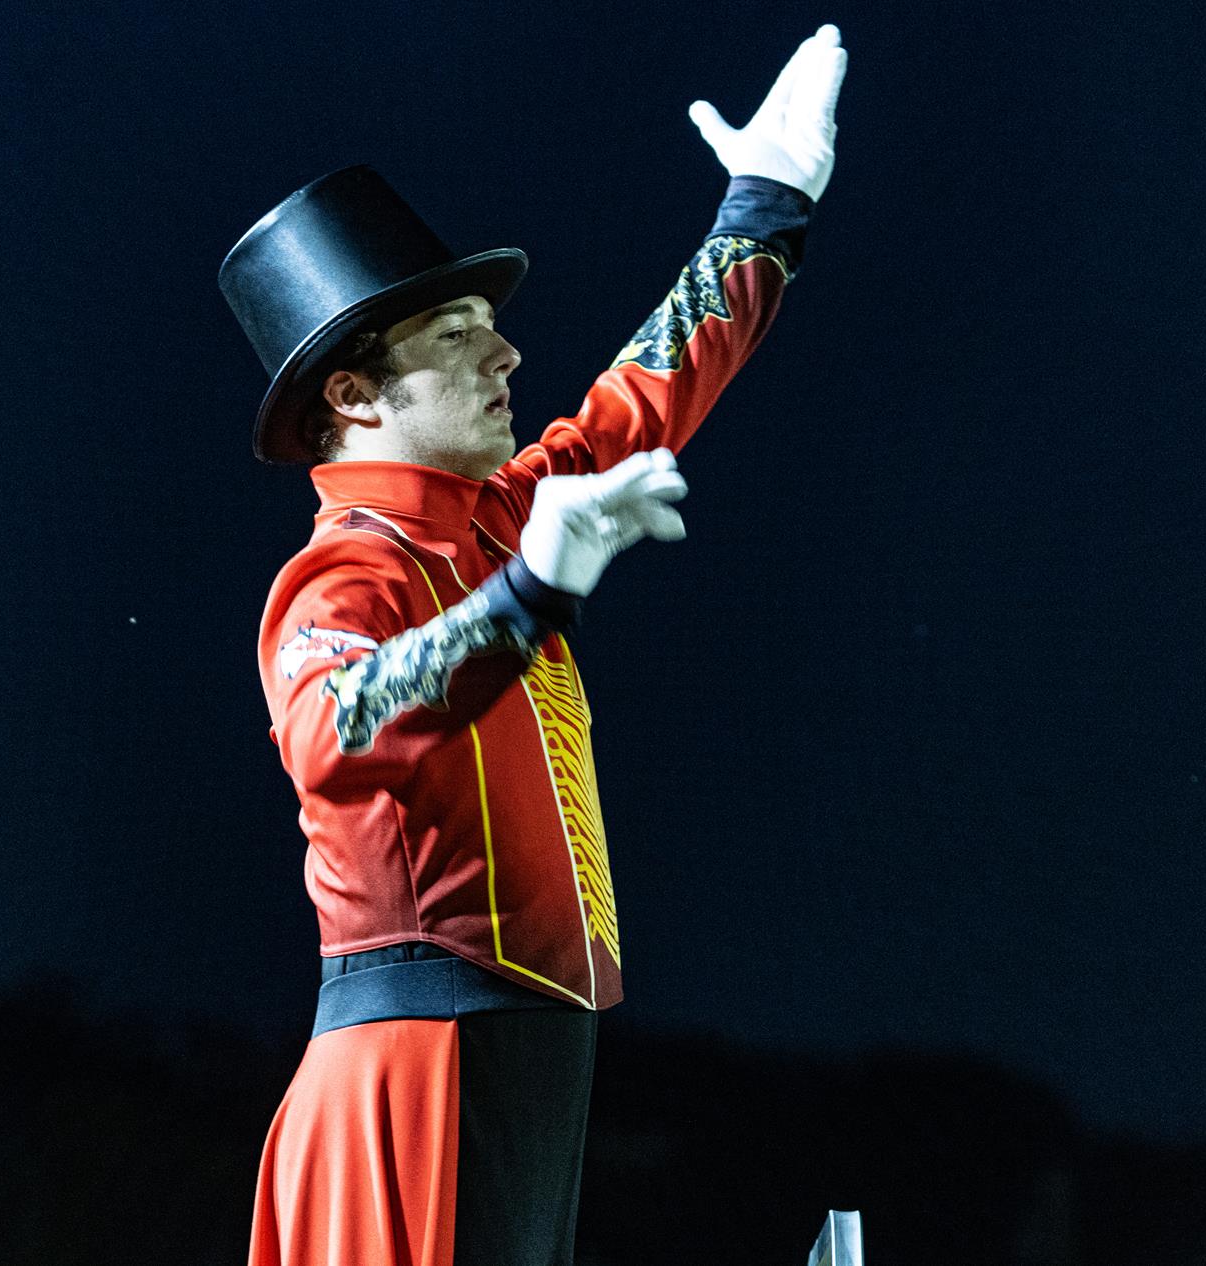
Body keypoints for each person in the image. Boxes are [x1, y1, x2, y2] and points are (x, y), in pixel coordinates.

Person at [217, 20, 848, 1266]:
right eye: (455, 335)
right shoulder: (338, 572)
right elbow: (338, 728)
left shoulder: (494, 520)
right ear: (351, 395)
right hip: (417, 1068)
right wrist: (527, 600)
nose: (505, 348)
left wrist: (763, 208)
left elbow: (646, 395)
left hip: (531, 1055)